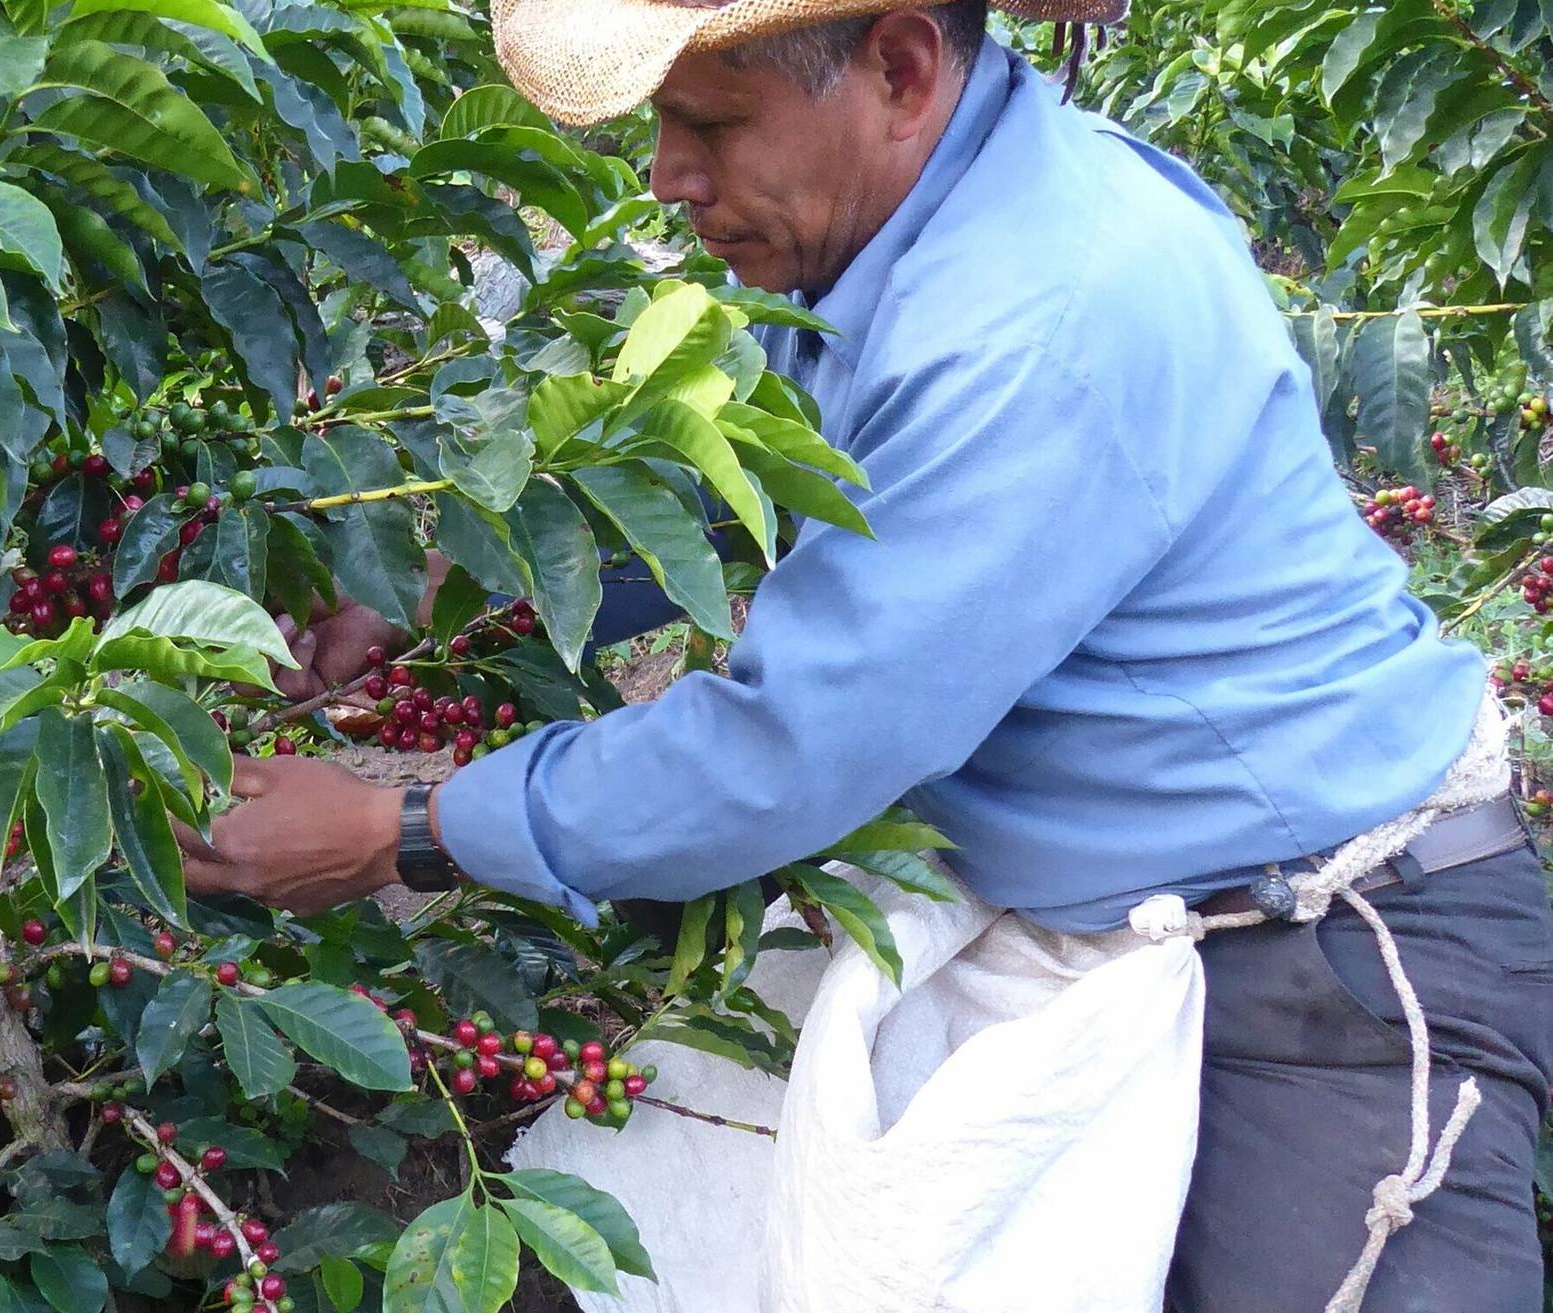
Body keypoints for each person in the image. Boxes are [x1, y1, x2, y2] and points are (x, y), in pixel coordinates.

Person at [179, 0, 1553, 1306]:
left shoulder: (1039, 314)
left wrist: (398, 829)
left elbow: (786, 752)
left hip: (1341, 967)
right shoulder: (914, 232)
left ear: (900, 71)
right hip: (1150, 913)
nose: (665, 177)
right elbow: (776, 480)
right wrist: (445, 587)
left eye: (708, 125)